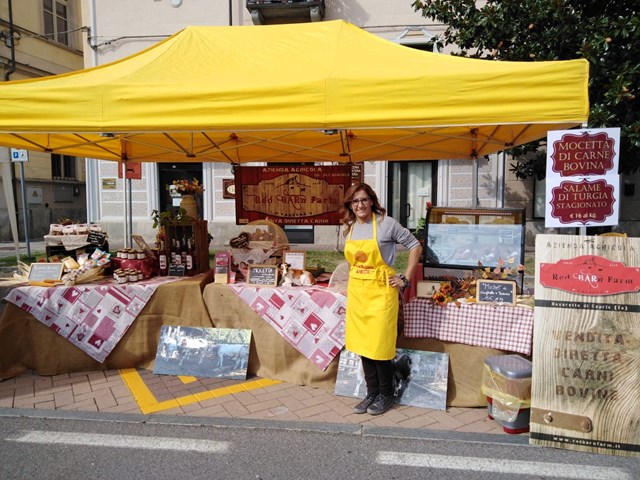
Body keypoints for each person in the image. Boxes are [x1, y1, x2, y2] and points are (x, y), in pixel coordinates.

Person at [340, 183, 423, 415]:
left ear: (372, 201)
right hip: (358, 293)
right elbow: (351, 261)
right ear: (350, 205)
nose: (360, 205)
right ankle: (371, 393)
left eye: (364, 200)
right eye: (355, 201)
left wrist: (405, 277)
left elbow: (415, 245)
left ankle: (386, 394)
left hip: (381, 292)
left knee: (379, 346)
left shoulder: (386, 224)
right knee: (361, 345)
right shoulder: (349, 227)